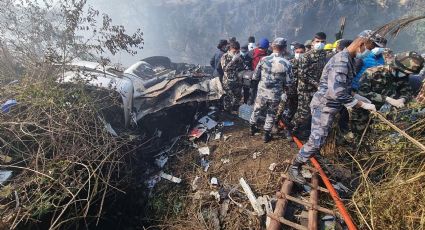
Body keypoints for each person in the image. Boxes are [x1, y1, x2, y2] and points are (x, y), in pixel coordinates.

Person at [288, 30, 384, 184]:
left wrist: (360, 98)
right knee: (317, 140)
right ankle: (295, 165)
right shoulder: (342, 61)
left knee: (322, 137)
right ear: (361, 44)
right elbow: (337, 92)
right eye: (370, 47)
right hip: (324, 105)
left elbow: (344, 88)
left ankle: (309, 156)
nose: (370, 52)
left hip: (330, 105)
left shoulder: (349, 59)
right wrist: (362, 104)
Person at [351, 51, 424, 133]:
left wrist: (402, 99)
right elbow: (362, 93)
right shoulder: (373, 73)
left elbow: (407, 92)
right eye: (404, 73)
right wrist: (387, 99)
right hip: (363, 112)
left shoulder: (403, 77)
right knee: (357, 134)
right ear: (395, 67)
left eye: (407, 74)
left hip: (383, 115)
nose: (405, 75)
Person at [249, 38, 293, 143]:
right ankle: (266, 134)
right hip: (275, 94)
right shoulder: (287, 63)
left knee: (257, 109)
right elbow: (289, 83)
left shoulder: (263, 60)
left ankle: (252, 128)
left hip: (262, 92)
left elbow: (255, 76)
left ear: (272, 47)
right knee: (271, 113)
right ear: (284, 48)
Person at [290, 32, 328, 139]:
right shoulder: (306, 57)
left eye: (322, 42)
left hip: (317, 88)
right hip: (305, 89)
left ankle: (304, 130)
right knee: (303, 112)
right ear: (312, 43)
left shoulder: (323, 55)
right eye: (317, 41)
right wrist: (317, 84)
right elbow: (302, 75)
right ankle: (291, 128)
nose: (320, 44)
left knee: (313, 111)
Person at [277, 43, 306, 131]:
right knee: (281, 110)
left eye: (302, 52)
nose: (299, 54)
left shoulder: (306, 64)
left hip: (299, 92)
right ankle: (276, 124)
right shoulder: (289, 63)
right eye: (297, 52)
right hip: (288, 91)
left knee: (293, 111)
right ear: (294, 52)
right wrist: (282, 91)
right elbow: (282, 77)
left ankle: (288, 129)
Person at [220, 41, 244, 112]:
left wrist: (240, 59)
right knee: (228, 98)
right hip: (228, 82)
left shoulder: (238, 56)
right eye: (234, 51)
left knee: (237, 98)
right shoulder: (225, 57)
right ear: (230, 49)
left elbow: (241, 68)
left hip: (237, 81)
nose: (236, 53)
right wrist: (233, 60)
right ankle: (227, 112)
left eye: (237, 51)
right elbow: (225, 69)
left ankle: (235, 111)